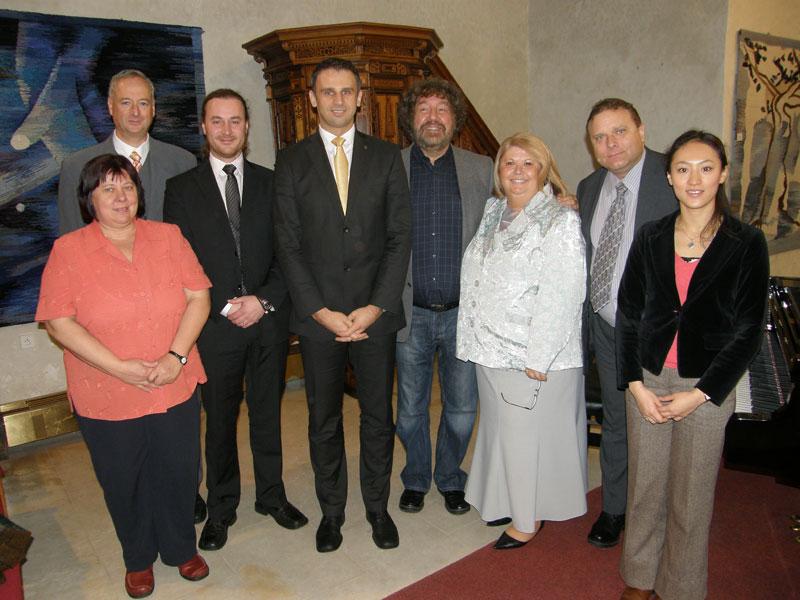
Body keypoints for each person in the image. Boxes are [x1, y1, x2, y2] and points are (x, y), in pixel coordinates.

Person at [36, 154, 211, 598]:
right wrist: (120, 369)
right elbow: (58, 322)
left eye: (128, 187)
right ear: (89, 199)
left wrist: (175, 357)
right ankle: (138, 559)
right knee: (123, 478)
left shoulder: (168, 236)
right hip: (106, 390)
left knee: (179, 469)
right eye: (108, 189)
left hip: (173, 380)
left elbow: (199, 297)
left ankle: (181, 548)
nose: (121, 197)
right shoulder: (69, 250)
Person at [615, 130, 769, 600]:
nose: (694, 179)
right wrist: (635, 385)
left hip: (707, 383)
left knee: (690, 494)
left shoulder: (746, 242)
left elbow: (749, 330)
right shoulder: (651, 235)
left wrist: (700, 395)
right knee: (645, 487)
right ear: (670, 177)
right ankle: (640, 578)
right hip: (649, 378)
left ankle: (680, 587)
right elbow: (629, 314)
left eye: (706, 168)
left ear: (722, 174)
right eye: (683, 169)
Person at [273, 57, 411, 553]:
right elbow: (288, 245)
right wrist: (320, 311)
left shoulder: (386, 156)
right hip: (320, 320)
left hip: (375, 316)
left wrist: (376, 307)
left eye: (346, 91)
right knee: (323, 420)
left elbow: (399, 237)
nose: (337, 100)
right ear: (312, 99)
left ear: (360, 98)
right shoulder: (291, 161)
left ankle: (377, 508)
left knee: (377, 417)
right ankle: (332, 512)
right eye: (327, 91)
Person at [164, 89, 307, 552]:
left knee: (267, 415)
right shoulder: (181, 189)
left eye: (235, 121)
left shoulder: (273, 182)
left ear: (247, 127)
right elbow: (179, 262)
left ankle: (271, 496)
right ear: (203, 128)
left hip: (267, 322)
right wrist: (224, 304)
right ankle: (222, 507)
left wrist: (262, 301)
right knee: (220, 422)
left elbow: (290, 252)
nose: (227, 130)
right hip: (214, 326)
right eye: (217, 121)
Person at [457, 132, 588, 550]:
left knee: (524, 438)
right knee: (500, 432)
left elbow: (564, 293)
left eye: (528, 163)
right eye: (509, 162)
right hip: (489, 349)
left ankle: (528, 519)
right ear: (498, 170)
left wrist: (539, 355)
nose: (517, 171)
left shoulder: (559, 220)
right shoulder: (494, 210)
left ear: (543, 171)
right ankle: (503, 500)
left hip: (531, 353)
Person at [577, 98, 677, 548]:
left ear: (641, 130)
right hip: (606, 324)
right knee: (617, 420)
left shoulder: (674, 177)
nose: (610, 144)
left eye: (619, 131)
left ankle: (661, 513)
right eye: (599, 137)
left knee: (661, 425)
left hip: (659, 332)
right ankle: (615, 509)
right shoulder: (589, 187)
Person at [394, 78, 494, 516]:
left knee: (462, 410)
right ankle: (416, 477)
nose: (432, 117)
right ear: (410, 118)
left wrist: (559, 202)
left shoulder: (482, 169)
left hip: (464, 315)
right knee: (409, 410)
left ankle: (451, 476)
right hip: (409, 312)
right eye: (424, 109)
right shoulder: (391, 167)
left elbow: (520, 206)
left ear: (455, 120)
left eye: (442, 109)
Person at [58, 69, 197, 235]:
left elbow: (192, 233)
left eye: (143, 103)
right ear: (110, 106)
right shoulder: (76, 167)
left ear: (153, 108)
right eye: (126, 103)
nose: (135, 112)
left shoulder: (183, 163)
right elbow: (71, 238)